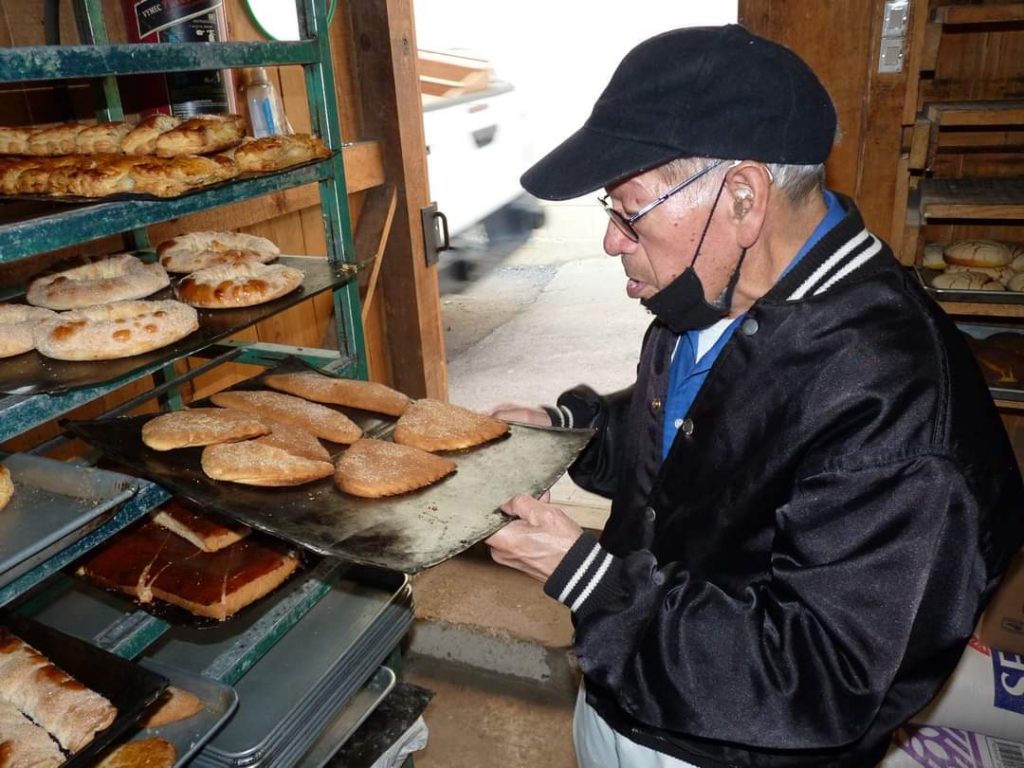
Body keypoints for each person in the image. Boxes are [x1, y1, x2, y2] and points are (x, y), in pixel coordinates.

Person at [484, 24, 1024, 768]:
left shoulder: (896, 407)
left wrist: (586, 578)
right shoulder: (714, 291)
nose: (611, 241)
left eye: (627, 210)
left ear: (742, 197)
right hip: (625, 688)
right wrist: (572, 430)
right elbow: (703, 430)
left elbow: (820, 680)